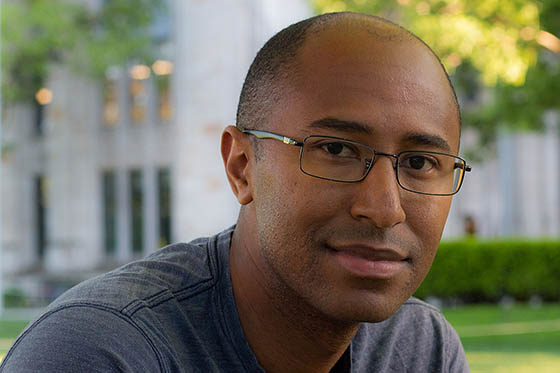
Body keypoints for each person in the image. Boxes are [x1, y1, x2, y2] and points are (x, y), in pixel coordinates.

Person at [1, 12, 472, 372]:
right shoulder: (101, 353)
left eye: (419, 163)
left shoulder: (417, 349)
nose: (384, 208)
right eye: (335, 149)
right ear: (242, 166)